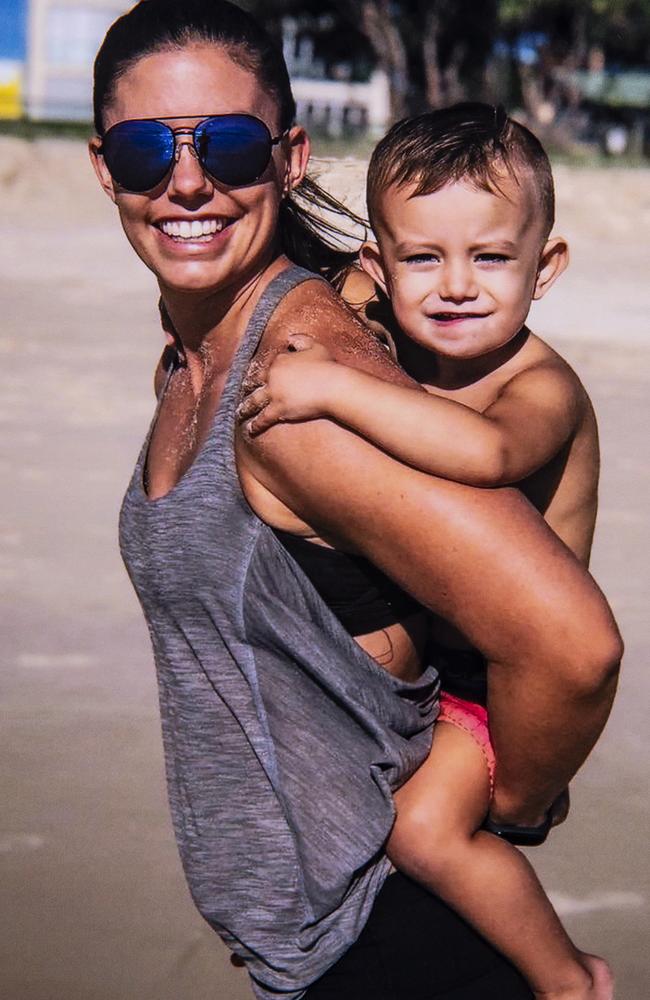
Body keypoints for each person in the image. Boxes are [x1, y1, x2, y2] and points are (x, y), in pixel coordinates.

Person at [89, 4, 622, 999]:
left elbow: (571, 644)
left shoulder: (305, 393)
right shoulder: (206, 350)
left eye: (232, 144)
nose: (187, 179)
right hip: (321, 944)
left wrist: (507, 800)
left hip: (391, 940)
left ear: (288, 156)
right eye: (143, 148)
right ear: (101, 164)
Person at [238, 104, 612, 999]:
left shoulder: (540, 386)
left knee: (424, 832)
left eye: (491, 257)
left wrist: (328, 386)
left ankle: (567, 978)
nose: (456, 286)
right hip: (445, 669)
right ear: (380, 264)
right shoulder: (403, 331)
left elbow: (484, 455)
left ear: (545, 266)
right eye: (422, 258)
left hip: (499, 683)